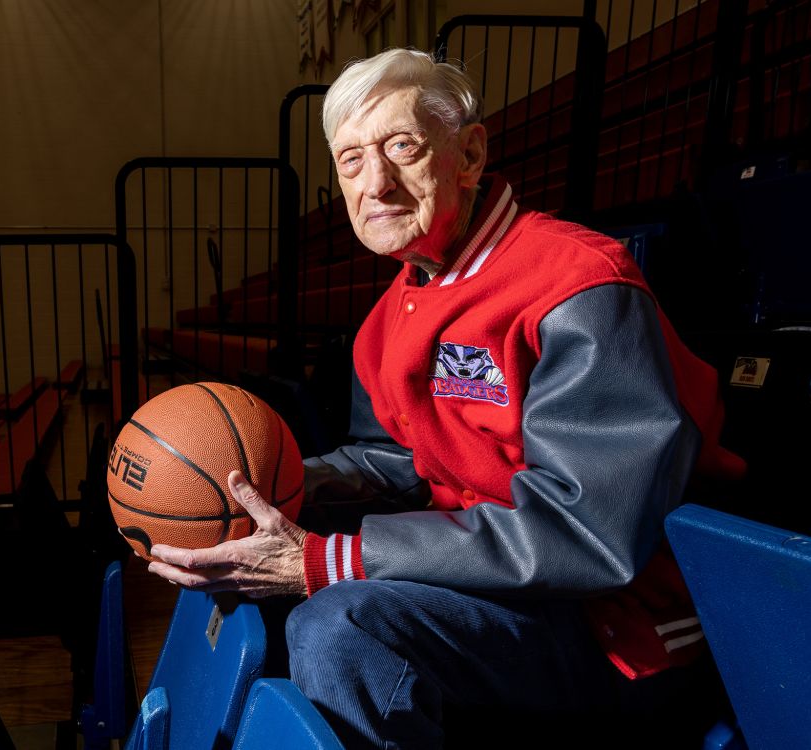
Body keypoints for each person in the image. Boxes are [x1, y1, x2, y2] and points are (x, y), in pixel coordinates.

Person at [146, 48, 744, 748]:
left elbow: (590, 533)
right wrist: (276, 486)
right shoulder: (389, 317)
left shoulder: (578, 287)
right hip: (504, 591)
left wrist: (329, 560)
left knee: (338, 625)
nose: (377, 183)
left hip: (618, 624)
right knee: (250, 588)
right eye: (350, 160)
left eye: (401, 147)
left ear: (469, 153)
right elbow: (404, 460)